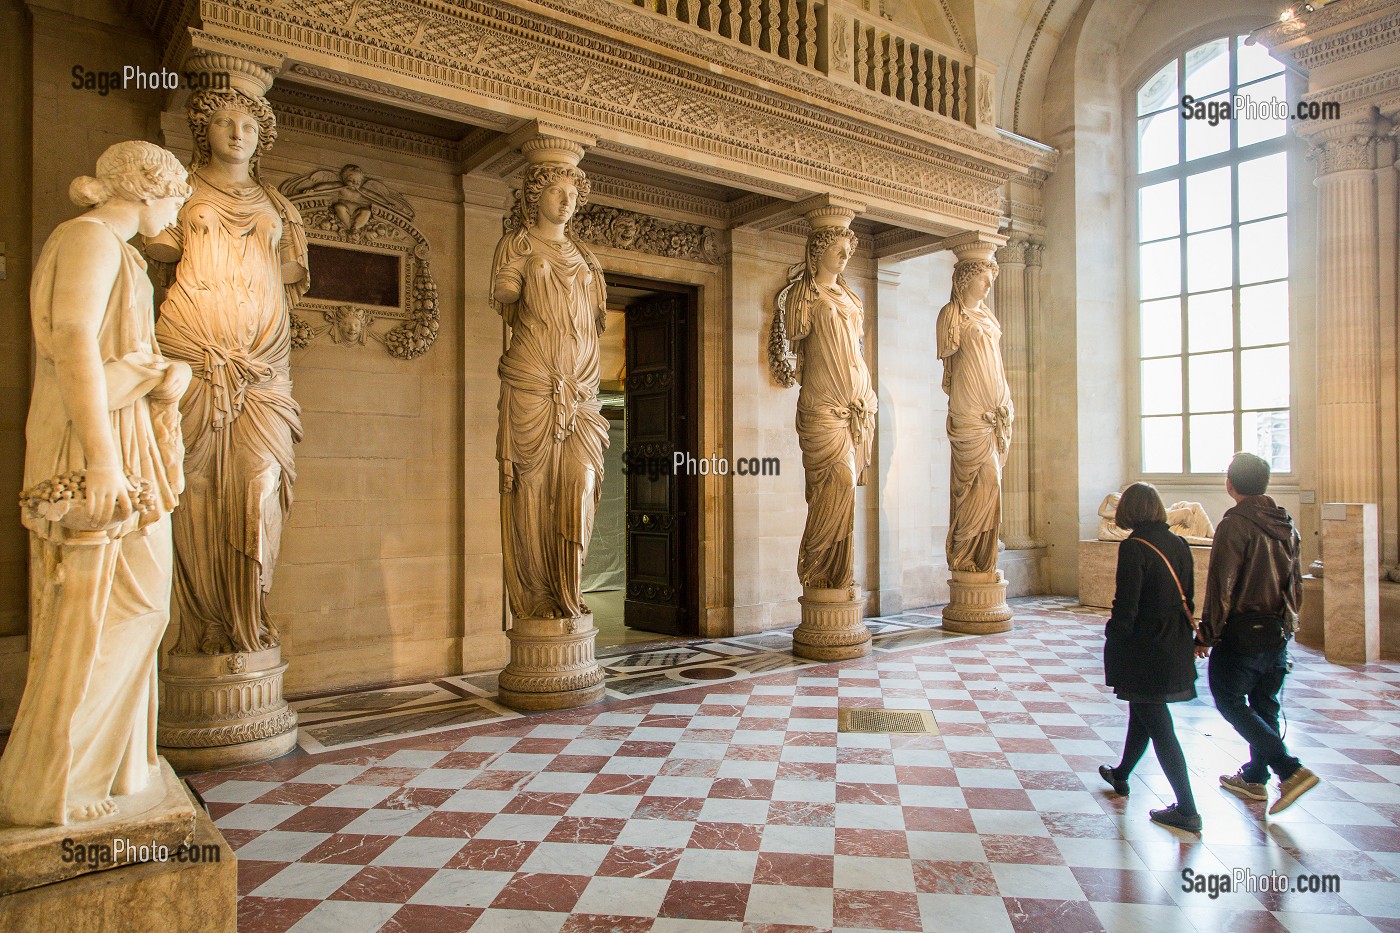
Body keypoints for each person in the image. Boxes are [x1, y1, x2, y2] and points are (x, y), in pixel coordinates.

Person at [0, 141, 190, 825]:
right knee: (105, 607)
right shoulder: (88, 238)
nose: (175, 209)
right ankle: (61, 778)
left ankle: (115, 766)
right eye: (173, 195)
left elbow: (117, 352)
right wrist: (104, 459)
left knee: (136, 606)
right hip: (94, 441)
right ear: (146, 188)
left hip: (121, 434)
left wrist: (166, 375)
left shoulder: (124, 252)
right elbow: (76, 340)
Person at [146, 87, 310, 655]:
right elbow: (158, 249)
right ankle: (205, 630)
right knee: (193, 492)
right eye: (224, 122)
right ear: (202, 131)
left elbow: (289, 274)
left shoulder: (279, 206)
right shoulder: (180, 196)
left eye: (249, 125)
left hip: (264, 366)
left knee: (262, 487)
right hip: (194, 355)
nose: (237, 133)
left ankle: (248, 616)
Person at [491, 161, 608, 621]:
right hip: (533, 383)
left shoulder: (585, 258)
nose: (566, 202)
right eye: (557, 192)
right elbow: (505, 294)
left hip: (581, 391)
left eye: (572, 196)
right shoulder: (517, 246)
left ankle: (568, 589)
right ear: (534, 195)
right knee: (533, 494)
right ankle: (539, 600)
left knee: (579, 487)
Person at [1197, 451, 1315, 814]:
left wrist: (1207, 634)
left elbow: (1222, 586)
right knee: (1264, 703)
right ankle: (1254, 778)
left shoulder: (1235, 524)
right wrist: (1288, 626)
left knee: (1229, 698)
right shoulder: (1285, 522)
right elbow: (1295, 583)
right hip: (1277, 631)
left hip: (1242, 631)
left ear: (1230, 484)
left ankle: (1288, 769)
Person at [1098, 482, 1202, 833]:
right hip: (1174, 642)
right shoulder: (1179, 543)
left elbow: (1126, 605)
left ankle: (1187, 808)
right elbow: (1187, 595)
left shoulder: (1134, 547)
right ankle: (1122, 774)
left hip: (1144, 647)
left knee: (1159, 726)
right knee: (1142, 712)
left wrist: (1114, 636)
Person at [780, 223, 877, 588]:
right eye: (838, 248)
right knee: (836, 481)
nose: (845, 255)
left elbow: (857, 351)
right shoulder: (803, 297)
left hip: (855, 410)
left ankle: (838, 576)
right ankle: (817, 568)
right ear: (817, 251)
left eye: (848, 250)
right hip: (822, 407)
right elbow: (798, 343)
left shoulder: (852, 299)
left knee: (847, 489)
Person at [936, 258, 1012, 573]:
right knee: (983, 480)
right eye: (983, 278)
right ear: (965, 280)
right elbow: (950, 370)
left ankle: (983, 557)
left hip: (996, 411)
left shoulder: (988, 316)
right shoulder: (952, 315)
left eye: (990, 278)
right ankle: (963, 550)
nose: (988, 285)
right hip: (969, 410)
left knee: (993, 483)